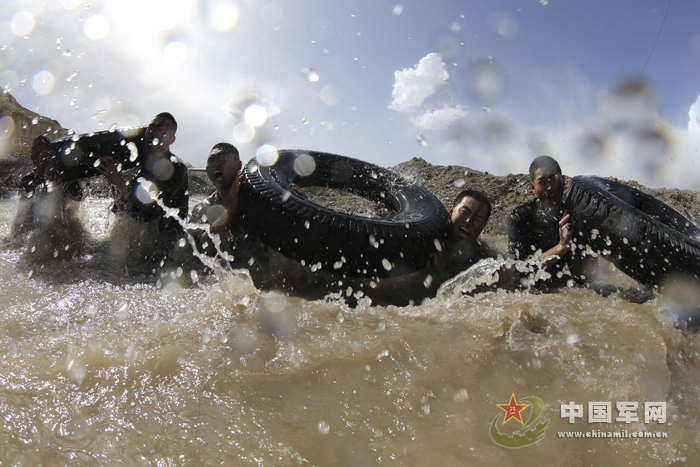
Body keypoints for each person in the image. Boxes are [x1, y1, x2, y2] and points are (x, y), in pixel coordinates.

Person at [355, 189, 496, 305]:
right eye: (464, 212)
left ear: (482, 227)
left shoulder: (483, 257)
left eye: (477, 220)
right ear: (451, 211)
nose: (468, 221)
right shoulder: (425, 235)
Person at [95, 112, 189, 274]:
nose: (153, 130)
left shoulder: (177, 169)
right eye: (151, 127)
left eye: (161, 127)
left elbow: (149, 214)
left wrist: (120, 184)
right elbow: (122, 209)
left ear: (171, 140)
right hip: (143, 243)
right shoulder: (143, 169)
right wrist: (114, 180)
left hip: (165, 251)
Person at [507, 155, 580, 287]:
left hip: (557, 282)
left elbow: (584, 272)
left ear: (562, 181)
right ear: (532, 187)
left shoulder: (574, 215)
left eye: (553, 180)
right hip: (526, 285)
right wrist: (561, 247)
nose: (550, 187)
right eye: (542, 182)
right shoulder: (520, 216)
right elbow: (519, 268)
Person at [11, 135, 87, 260]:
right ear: (33, 157)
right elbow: (22, 213)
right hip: (38, 226)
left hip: (64, 224)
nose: (41, 157)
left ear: (52, 156)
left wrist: (57, 180)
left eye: (45, 153)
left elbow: (78, 197)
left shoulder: (65, 177)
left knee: (74, 226)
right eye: (38, 154)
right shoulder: (28, 180)